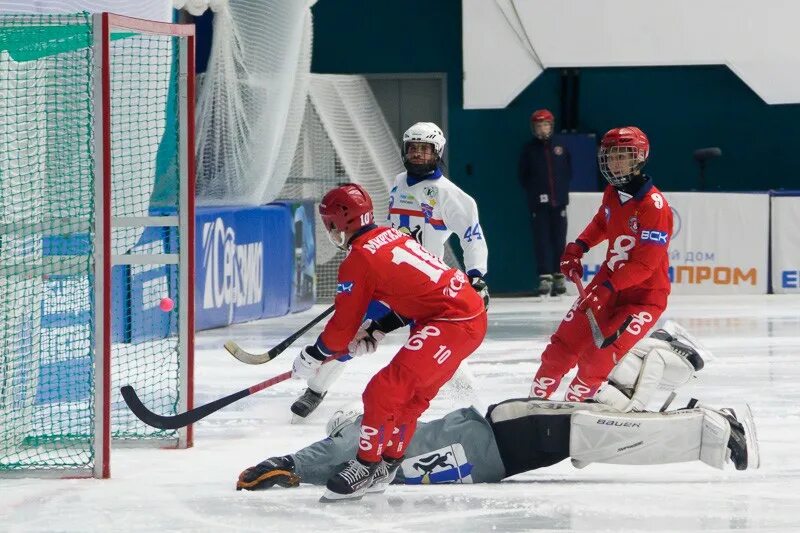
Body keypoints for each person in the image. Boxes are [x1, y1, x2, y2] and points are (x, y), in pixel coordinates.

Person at [236, 325, 758, 491]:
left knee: (600, 433)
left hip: (507, 437)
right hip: (509, 441)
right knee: (598, 433)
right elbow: (319, 456)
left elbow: (314, 457)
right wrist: (282, 467)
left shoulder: (369, 448)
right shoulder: (369, 450)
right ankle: (669, 373)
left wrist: (280, 467)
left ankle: (703, 417)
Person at [289, 183, 487, 502]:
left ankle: (365, 467)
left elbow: (341, 329)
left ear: (340, 221)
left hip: (452, 322)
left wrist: (313, 356)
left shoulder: (358, 260)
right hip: (461, 315)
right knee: (411, 398)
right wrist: (379, 327)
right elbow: (416, 293)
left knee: (382, 390)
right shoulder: (389, 235)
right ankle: (387, 463)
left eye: (329, 221)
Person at [291, 122, 489, 419]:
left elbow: (472, 237)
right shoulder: (398, 182)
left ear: (438, 152)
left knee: (442, 350)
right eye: (413, 148)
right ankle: (316, 389)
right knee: (352, 333)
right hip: (387, 280)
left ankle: (476, 407)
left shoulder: (452, 196)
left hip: (423, 287)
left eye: (425, 149)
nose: (418, 155)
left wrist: (476, 275)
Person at [530, 126, 673, 402]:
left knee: (598, 359)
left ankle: (574, 413)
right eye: (611, 155)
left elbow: (645, 266)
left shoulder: (654, 206)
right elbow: (602, 222)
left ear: (639, 158)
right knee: (561, 348)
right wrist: (578, 247)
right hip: (608, 285)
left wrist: (608, 286)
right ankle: (533, 405)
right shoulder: (612, 192)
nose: (615, 162)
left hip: (642, 298)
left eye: (623, 155)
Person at [518, 109, 573, 297]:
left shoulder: (560, 147)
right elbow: (523, 176)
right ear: (534, 128)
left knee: (559, 239)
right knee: (541, 240)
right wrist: (536, 193)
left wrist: (561, 193)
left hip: (559, 203)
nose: (543, 129)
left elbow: (567, 172)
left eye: (546, 125)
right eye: (539, 125)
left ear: (551, 125)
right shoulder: (529, 150)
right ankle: (544, 276)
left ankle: (559, 276)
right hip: (538, 204)